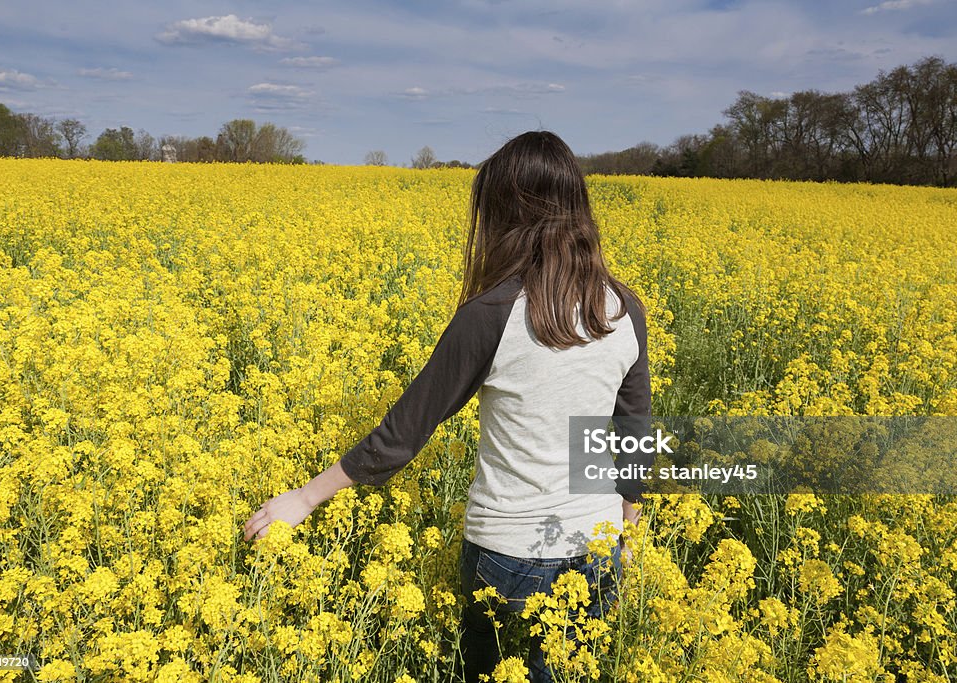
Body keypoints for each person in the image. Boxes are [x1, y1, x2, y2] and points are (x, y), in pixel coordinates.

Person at [243, 130, 652, 682]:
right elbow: (634, 432)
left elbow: (405, 432)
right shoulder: (624, 310)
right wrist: (629, 528)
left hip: (506, 556)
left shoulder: (494, 313)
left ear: (508, 216)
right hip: (596, 546)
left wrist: (306, 497)